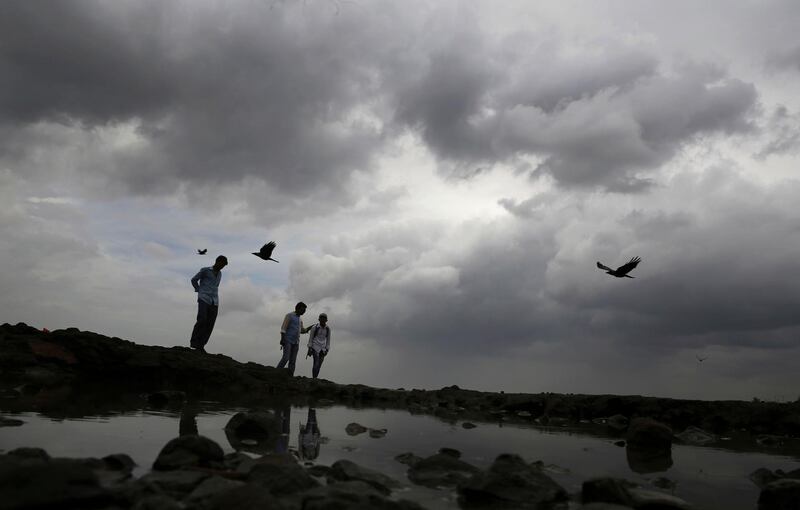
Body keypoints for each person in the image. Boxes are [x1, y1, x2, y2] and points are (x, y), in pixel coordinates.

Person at [189, 255, 227, 353]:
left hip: (215, 301)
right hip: (203, 298)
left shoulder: (220, 274)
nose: (222, 267)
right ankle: (194, 342)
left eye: (224, 266)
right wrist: (198, 289)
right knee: (202, 319)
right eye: (222, 264)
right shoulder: (205, 270)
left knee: (210, 324)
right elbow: (193, 280)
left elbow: (216, 286)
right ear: (217, 261)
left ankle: (201, 345)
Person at [277, 302, 312, 375]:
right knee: (285, 358)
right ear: (298, 308)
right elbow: (283, 328)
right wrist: (282, 339)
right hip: (287, 340)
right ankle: (276, 372)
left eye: (304, 310)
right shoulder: (289, 316)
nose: (304, 312)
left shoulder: (300, 319)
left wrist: (308, 329)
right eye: (303, 310)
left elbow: (302, 330)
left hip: (296, 342)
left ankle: (290, 376)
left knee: (292, 361)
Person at [306, 313, 331, 379]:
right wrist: (309, 348)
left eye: (324, 319)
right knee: (316, 363)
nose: (322, 320)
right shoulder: (315, 327)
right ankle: (314, 378)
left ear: (326, 320)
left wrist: (327, 349)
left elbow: (328, 340)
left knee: (319, 365)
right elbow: (311, 339)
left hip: (323, 348)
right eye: (321, 318)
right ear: (319, 319)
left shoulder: (328, 329)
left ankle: (315, 378)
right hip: (315, 347)